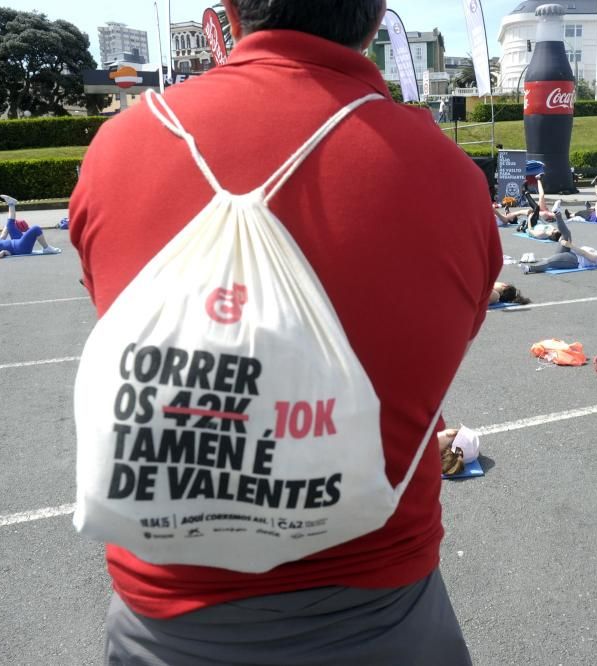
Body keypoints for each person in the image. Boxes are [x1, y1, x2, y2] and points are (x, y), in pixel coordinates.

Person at [70, 1, 501, 662]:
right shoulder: (450, 178)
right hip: (385, 616)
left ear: (232, 9)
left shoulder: (121, 148)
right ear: (378, 12)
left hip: (166, 627)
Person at [0, 195, 61, 259]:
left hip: (17, 241)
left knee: (10, 225)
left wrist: (10, 224)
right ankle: (46, 248)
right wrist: (3, 252)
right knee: (36, 228)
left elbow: (3, 234)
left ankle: (11, 204)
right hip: (20, 248)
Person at [520, 215, 597, 273]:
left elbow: (584, 253)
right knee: (567, 233)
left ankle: (530, 268)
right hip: (571, 253)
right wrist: (569, 245)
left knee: (550, 261)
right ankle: (557, 213)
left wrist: (569, 245)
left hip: (574, 261)